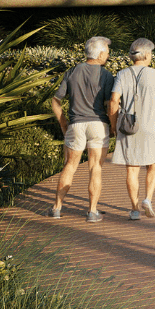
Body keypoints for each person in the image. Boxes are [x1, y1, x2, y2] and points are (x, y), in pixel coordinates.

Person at [50, 36, 116, 220]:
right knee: (95, 167)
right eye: (107, 52)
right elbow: (110, 104)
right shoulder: (106, 75)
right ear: (100, 54)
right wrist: (113, 126)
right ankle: (92, 211)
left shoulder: (72, 71)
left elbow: (56, 100)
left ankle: (56, 208)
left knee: (70, 166)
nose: (108, 55)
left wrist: (64, 123)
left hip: (76, 124)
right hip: (98, 124)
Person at [107, 38, 155, 221]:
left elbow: (114, 101)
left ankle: (134, 209)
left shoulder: (122, 74)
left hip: (129, 127)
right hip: (153, 125)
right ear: (147, 55)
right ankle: (148, 199)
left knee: (132, 169)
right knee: (154, 164)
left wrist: (114, 125)